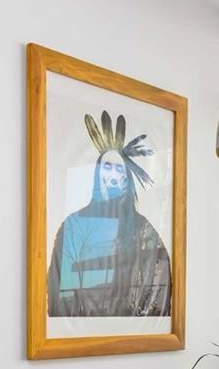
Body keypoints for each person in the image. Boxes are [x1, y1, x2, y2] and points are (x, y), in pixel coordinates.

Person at [47, 112, 172, 317]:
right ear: (97, 174)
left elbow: (158, 284)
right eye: (107, 167)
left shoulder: (144, 229)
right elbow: (61, 292)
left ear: (127, 179)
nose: (113, 176)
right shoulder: (74, 225)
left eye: (119, 170)